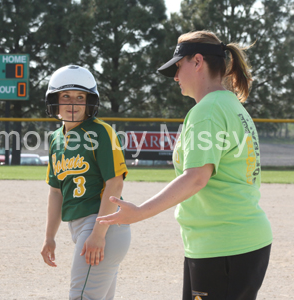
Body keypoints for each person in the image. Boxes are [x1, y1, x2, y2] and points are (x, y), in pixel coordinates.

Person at [96, 30, 273, 300]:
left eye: (178, 67)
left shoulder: (208, 111)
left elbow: (196, 178)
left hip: (223, 245)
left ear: (198, 61)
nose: (176, 76)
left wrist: (139, 212)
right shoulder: (230, 105)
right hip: (229, 243)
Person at [40, 65, 131, 300]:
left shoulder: (101, 132)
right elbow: (56, 192)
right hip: (84, 227)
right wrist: (49, 237)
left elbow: (115, 184)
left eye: (80, 97)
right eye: (65, 96)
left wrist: (99, 233)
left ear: (90, 102)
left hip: (101, 224)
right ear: (55, 101)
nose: (73, 103)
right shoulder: (55, 139)